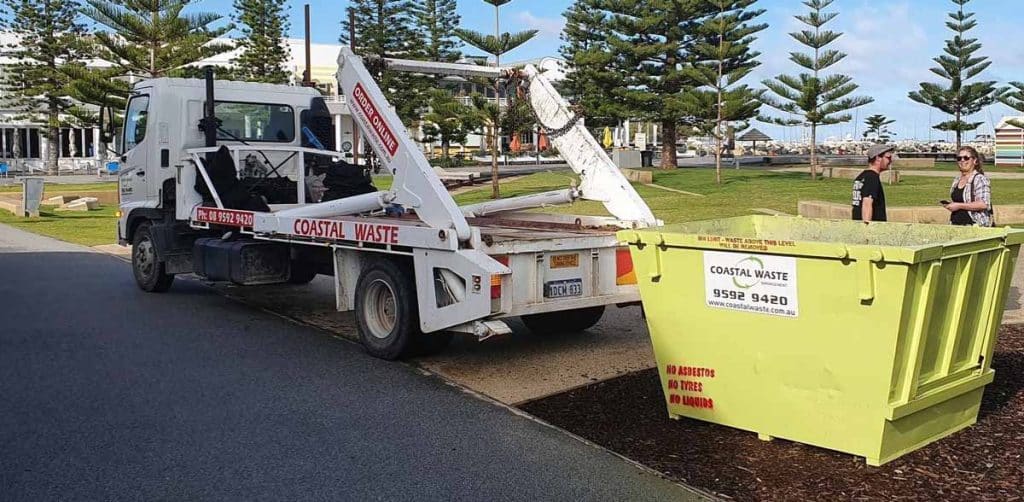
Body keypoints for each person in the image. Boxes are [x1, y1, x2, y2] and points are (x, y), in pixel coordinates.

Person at [943, 146, 993, 226]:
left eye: (966, 158)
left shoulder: (980, 179)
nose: (962, 160)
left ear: (975, 161)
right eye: (959, 158)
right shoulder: (957, 180)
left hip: (974, 226)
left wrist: (958, 205)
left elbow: (983, 204)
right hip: (955, 225)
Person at [852, 144, 895, 222]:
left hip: (856, 226)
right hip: (871, 229)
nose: (891, 161)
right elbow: (867, 203)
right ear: (878, 158)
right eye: (888, 158)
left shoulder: (861, 177)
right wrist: (867, 229)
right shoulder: (872, 178)